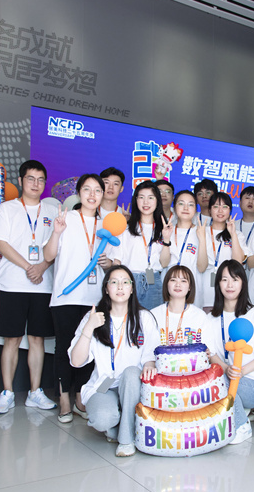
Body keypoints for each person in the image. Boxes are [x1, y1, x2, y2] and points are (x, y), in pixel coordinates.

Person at [0, 160, 58, 414]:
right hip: (12, 284)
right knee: (12, 339)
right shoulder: (7, 209)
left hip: (42, 285)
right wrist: (30, 267)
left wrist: (42, 266)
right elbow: (2, 244)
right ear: (20, 181)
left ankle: (35, 392)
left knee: (37, 339)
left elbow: (57, 246)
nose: (35, 184)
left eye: (40, 180)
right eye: (30, 178)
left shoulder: (52, 211)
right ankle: (7, 393)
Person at [44, 174, 115, 423]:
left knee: (90, 348)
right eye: (87, 189)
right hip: (66, 297)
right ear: (78, 193)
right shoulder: (66, 219)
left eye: (98, 190)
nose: (92, 195)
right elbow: (48, 255)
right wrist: (56, 232)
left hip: (95, 298)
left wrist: (108, 263)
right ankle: (64, 399)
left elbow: (114, 263)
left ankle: (79, 398)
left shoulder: (107, 224)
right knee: (64, 348)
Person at [68, 265, 157, 456]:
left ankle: (126, 440)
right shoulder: (93, 318)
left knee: (131, 373)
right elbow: (76, 361)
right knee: (102, 419)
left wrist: (149, 364)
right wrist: (89, 328)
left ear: (132, 289)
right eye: (114, 282)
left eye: (125, 282)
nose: (120, 287)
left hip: (134, 385)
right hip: (104, 385)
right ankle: (121, 425)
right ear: (106, 288)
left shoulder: (144, 318)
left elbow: (151, 356)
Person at [204, 260, 254, 444]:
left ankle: (242, 425)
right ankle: (236, 408)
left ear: (243, 283)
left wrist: (242, 371)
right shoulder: (211, 318)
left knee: (219, 381)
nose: (230, 285)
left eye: (235, 279)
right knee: (213, 379)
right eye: (224, 279)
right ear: (218, 283)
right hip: (227, 377)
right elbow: (211, 354)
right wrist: (226, 368)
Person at [142, 266, 214, 377]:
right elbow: (147, 353)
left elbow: (208, 351)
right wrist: (149, 366)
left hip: (193, 375)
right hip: (161, 375)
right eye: (173, 280)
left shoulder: (200, 316)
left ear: (190, 287)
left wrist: (207, 353)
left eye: (183, 281)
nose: (178, 284)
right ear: (166, 284)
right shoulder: (153, 315)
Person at [113, 181, 165, 309]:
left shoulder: (164, 229)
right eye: (141, 197)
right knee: (128, 318)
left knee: (153, 319)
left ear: (157, 201)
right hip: (129, 279)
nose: (146, 202)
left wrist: (167, 238)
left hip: (154, 280)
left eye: (151, 198)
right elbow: (116, 261)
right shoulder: (125, 228)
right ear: (136, 200)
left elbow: (165, 262)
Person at [196, 192, 249, 310]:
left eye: (225, 207)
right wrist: (202, 239)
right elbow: (201, 267)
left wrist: (233, 234)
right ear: (209, 210)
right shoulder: (201, 232)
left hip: (229, 289)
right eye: (216, 206)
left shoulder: (238, 235)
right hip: (205, 290)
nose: (220, 211)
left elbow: (237, 263)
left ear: (230, 211)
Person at [160, 190, 205, 307]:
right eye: (181, 203)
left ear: (195, 209)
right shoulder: (167, 230)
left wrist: (202, 240)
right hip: (169, 286)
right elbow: (164, 263)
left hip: (192, 288)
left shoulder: (201, 232)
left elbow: (202, 267)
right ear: (174, 208)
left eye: (190, 204)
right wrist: (166, 238)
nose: (186, 208)